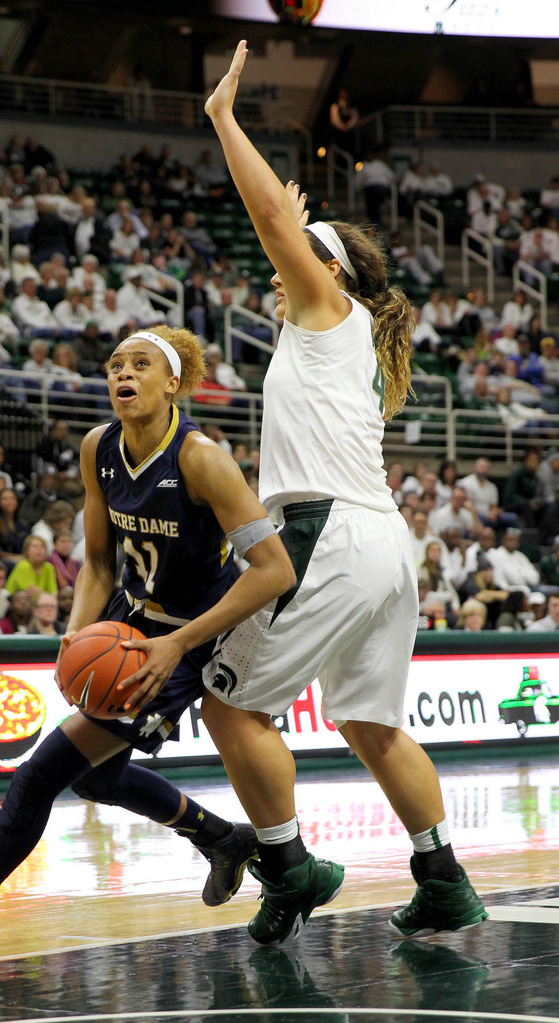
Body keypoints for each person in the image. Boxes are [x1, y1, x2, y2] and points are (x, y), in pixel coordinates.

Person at [0, 322, 293, 968]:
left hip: (189, 637)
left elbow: (274, 570)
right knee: (97, 778)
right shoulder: (97, 448)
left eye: (141, 364)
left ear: (172, 383)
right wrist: (76, 631)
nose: (123, 373)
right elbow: (98, 566)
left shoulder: (201, 459)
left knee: (40, 777)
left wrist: (179, 648)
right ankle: (221, 839)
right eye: (115, 363)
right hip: (128, 623)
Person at [190, 41, 487, 946]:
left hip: (324, 532)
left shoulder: (330, 312)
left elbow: (276, 222)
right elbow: (299, 234)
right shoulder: (336, 329)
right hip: (380, 542)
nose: (281, 272)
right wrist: (311, 229)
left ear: (325, 275)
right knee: (370, 722)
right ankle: (441, 879)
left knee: (228, 704)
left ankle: (288, 864)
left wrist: (225, 121)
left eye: (300, 260)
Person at [4, 533, 57, 598]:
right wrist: (46, 594)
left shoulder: (49, 567)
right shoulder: (23, 566)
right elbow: (32, 595)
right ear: (27, 550)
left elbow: (54, 593)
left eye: (42, 546)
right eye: (35, 546)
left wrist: (41, 592)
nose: (39, 549)